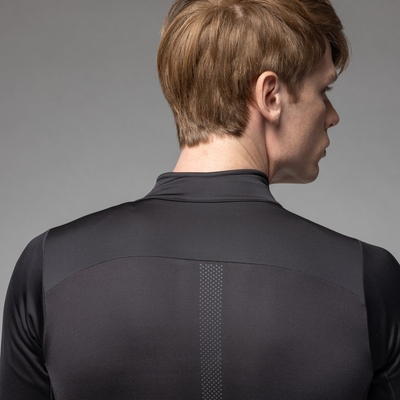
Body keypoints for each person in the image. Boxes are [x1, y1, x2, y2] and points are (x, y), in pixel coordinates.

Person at [1, 0, 399, 398]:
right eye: (323, 90)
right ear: (270, 96)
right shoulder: (365, 279)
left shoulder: (50, 265)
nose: (332, 115)